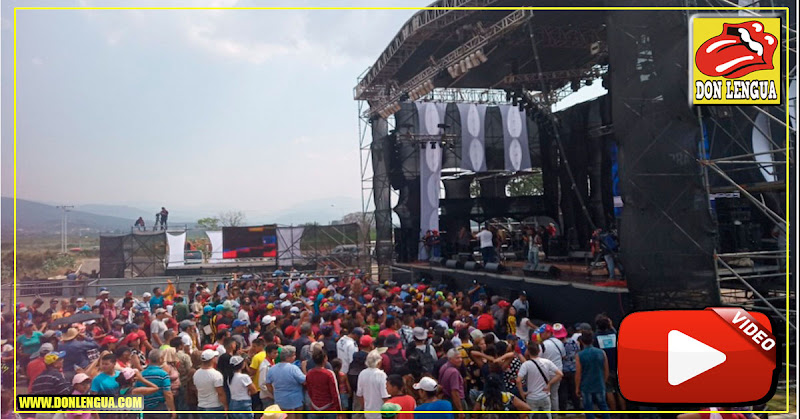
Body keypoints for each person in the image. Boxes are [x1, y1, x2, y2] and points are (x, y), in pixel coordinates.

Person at [516, 344, 563, 419]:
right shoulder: (547, 362)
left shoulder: (526, 365)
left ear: (528, 352)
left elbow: (518, 380)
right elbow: (560, 374)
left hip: (531, 396)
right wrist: (549, 384)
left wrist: (522, 394)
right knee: (548, 416)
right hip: (545, 395)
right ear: (539, 351)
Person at [575, 331, 611, 419]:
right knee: (603, 406)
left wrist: (577, 387)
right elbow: (606, 369)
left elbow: (578, 373)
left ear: (581, 341)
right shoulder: (602, 353)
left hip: (586, 386)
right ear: (593, 340)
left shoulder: (579, 355)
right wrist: (604, 381)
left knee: (588, 408)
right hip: (599, 383)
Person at [265, 345, 306, 419]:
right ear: (288, 357)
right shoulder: (293, 368)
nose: (295, 357)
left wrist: (274, 393)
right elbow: (304, 381)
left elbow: (268, 384)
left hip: (279, 400)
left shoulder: (272, 368)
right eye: (293, 355)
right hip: (294, 401)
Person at [137, 349, 176, 418]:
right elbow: (168, 394)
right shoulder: (163, 374)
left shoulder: (141, 375)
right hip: (159, 408)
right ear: (160, 359)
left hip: (145, 409)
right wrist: (173, 410)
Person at [305, 347, 341, 419]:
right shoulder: (329, 374)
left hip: (315, 408)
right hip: (329, 408)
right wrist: (339, 411)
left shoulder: (309, 373)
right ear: (325, 359)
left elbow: (309, 390)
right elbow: (335, 394)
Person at [194, 349, 227, 419]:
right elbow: (220, 393)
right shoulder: (216, 374)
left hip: (201, 406)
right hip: (214, 407)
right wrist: (226, 406)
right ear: (212, 359)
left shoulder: (196, 373)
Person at [357, 349, 390, 419]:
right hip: (380, 414)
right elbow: (385, 396)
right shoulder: (381, 375)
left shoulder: (362, 373)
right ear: (378, 362)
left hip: (368, 413)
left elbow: (359, 395)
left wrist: (365, 407)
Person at [540, 324, 566, 412]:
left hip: (546, 374)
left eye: (542, 333)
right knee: (554, 395)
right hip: (558, 373)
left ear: (548, 333)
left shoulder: (543, 345)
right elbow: (563, 356)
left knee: (545, 395)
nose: (540, 335)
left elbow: (539, 359)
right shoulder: (559, 342)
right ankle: (555, 414)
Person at [438, 348, 466, 419]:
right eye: (457, 358)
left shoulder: (444, 366)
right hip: (456, 401)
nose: (460, 360)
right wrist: (460, 410)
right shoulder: (454, 372)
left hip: (447, 399)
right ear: (450, 359)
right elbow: (455, 392)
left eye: (460, 357)